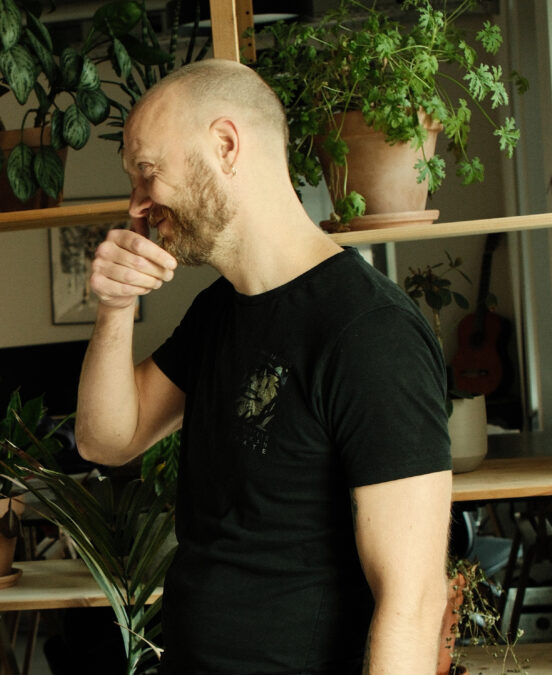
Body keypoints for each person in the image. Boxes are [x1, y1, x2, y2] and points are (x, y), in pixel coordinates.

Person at [75, 59, 453, 673]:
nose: (137, 202)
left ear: (225, 145)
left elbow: (412, 601)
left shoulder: (371, 331)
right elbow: (105, 439)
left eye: (148, 171)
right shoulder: (219, 311)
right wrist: (116, 307)